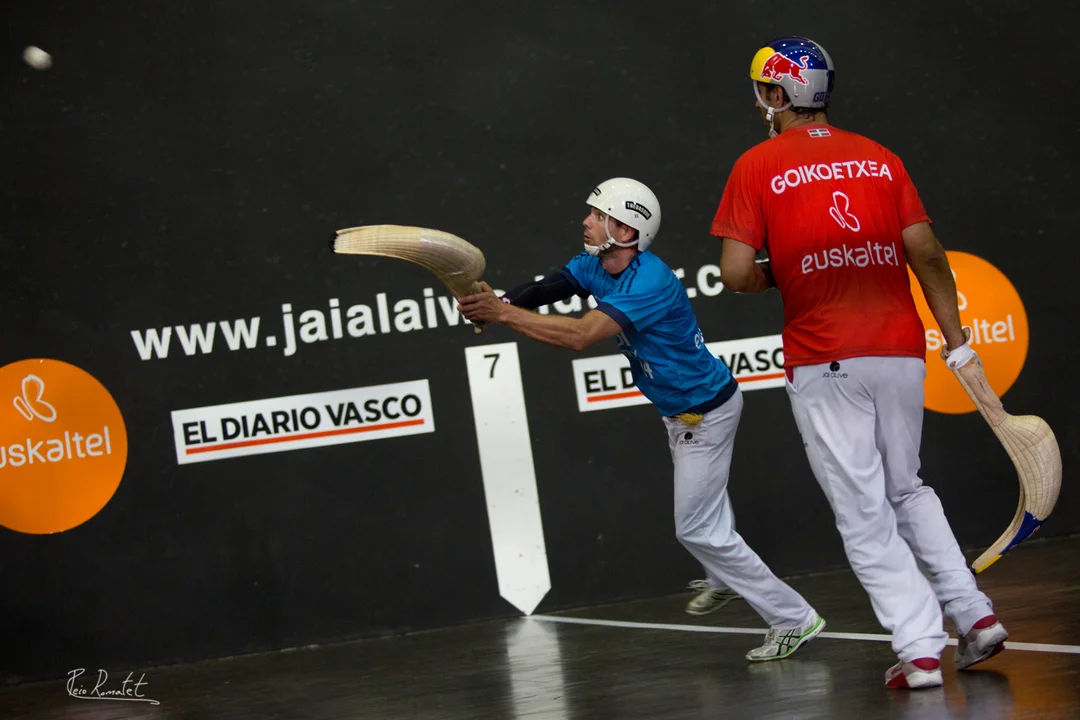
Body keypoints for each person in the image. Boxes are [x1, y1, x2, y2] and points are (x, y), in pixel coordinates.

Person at [709, 36, 1008, 688]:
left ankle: (920, 648)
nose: (759, 102)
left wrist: (779, 274)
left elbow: (734, 272)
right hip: (900, 350)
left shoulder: (756, 165)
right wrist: (957, 342)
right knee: (908, 489)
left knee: (863, 511)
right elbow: (928, 255)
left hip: (825, 358)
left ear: (778, 94)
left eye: (763, 91)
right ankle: (975, 616)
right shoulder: (879, 157)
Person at [457, 177, 825, 662]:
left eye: (598, 216)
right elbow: (550, 288)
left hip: (705, 416)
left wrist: (503, 317)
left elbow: (580, 336)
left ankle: (793, 617)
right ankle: (723, 577)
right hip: (683, 413)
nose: (586, 222)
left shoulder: (649, 282)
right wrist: (502, 304)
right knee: (707, 516)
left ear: (626, 231)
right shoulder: (595, 264)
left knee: (696, 529)